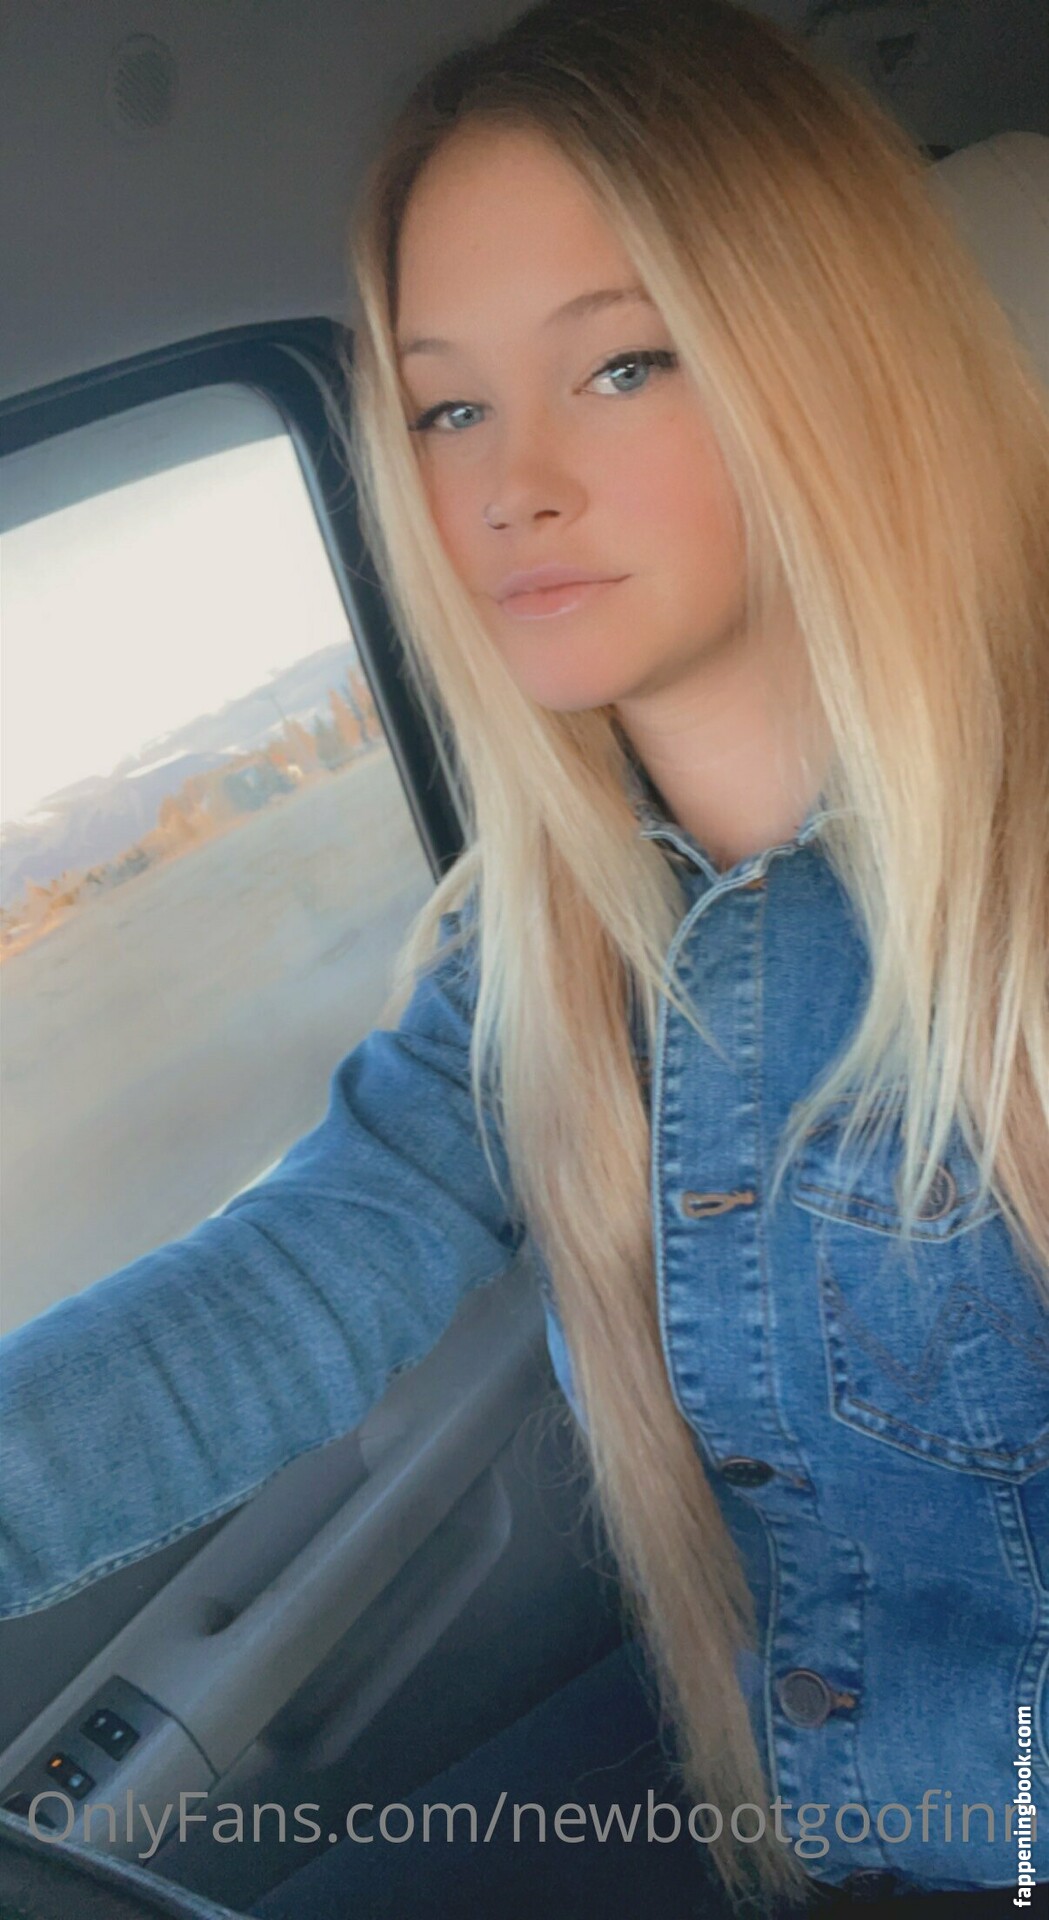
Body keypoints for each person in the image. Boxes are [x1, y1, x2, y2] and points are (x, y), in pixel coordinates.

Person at [2, 2, 1047, 1915]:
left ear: (830, 351)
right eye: (447, 407)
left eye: (624, 364)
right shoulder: (545, 940)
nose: (511, 486)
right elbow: (302, 1271)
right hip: (801, 1824)